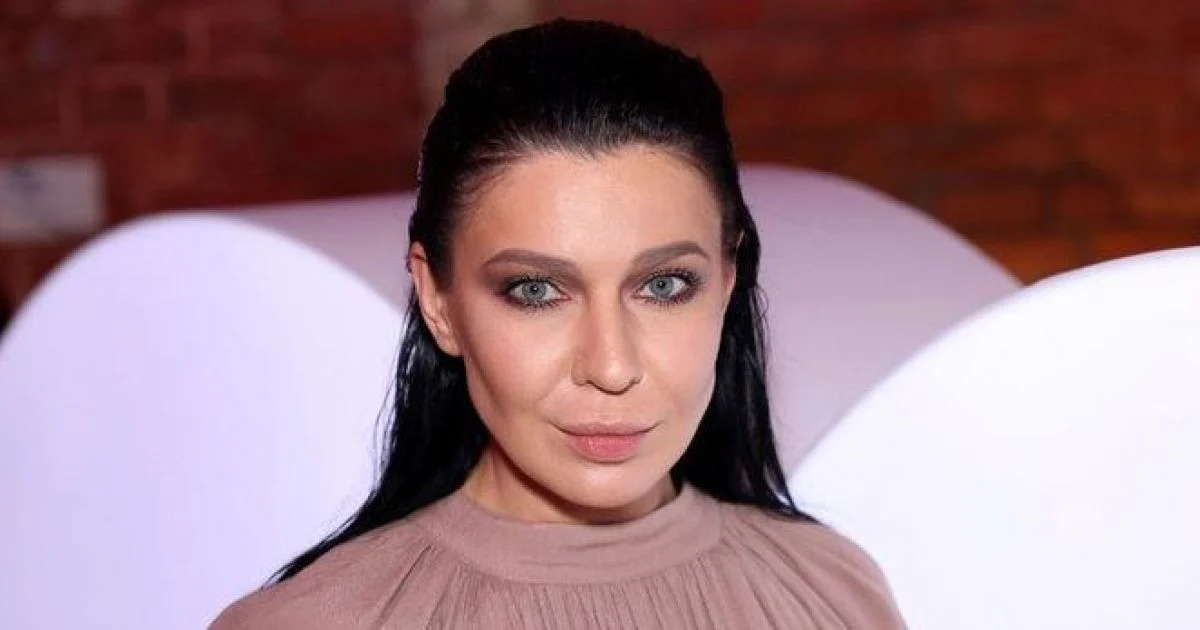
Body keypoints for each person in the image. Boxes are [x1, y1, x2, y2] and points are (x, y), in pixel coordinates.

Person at [210, 19, 907, 629]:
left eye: (664, 285)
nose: (610, 367)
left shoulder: (832, 591)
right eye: (537, 290)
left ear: (726, 282)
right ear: (437, 299)